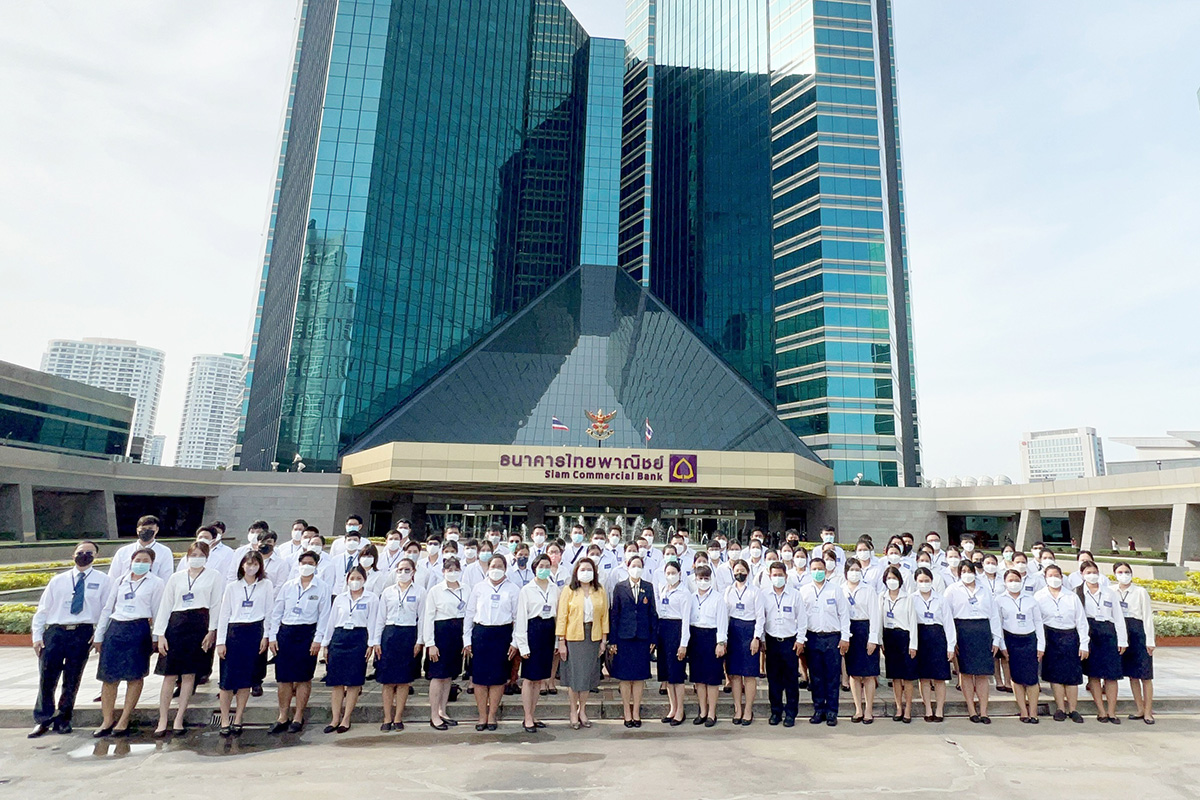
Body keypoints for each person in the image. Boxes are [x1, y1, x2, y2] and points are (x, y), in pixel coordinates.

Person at [30, 540, 113, 738]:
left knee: (72, 678)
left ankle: (64, 718)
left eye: (89, 552)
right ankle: (42, 720)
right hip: (56, 632)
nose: (84, 555)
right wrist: (37, 636)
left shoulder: (103, 581)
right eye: (80, 552)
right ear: (73, 555)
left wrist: (99, 634)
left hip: (82, 633)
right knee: (47, 678)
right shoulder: (58, 580)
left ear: (96, 556)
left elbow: (106, 611)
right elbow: (43, 609)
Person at [152, 538, 224, 736]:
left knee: (189, 675)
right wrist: (160, 634)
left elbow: (216, 604)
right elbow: (165, 605)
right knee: (169, 675)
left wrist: (212, 630)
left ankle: (179, 718)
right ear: (187, 556)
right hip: (176, 624)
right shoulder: (177, 577)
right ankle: (163, 718)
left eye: (201, 556)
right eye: (193, 555)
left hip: (199, 624)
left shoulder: (214, 576)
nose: (197, 559)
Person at [92, 547, 165, 737]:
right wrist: (99, 635)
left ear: (151, 564)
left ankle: (124, 719)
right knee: (109, 678)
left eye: (145, 560)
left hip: (138, 629)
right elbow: (108, 608)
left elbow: (158, 612)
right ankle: (107, 719)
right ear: (131, 561)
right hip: (116, 628)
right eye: (138, 559)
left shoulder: (156, 583)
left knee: (134, 676)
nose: (140, 563)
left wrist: (157, 638)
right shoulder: (120, 580)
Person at [267, 549, 331, 733]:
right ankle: (282, 716)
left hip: (307, 633)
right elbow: (277, 612)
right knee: (283, 678)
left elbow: (324, 616)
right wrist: (273, 636)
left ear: (316, 566)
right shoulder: (288, 586)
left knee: (303, 678)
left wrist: (318, 640)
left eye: (311, 563)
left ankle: (298, 716)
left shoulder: (322, 588)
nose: (306, 567)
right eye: (304, 563)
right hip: (286, 633)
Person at [215, 551, 274, 735]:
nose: (251, 567)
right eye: (248, 564)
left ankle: (239, 717)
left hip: (254, 632)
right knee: (227, 680)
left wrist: (266, 636)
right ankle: (225, 719)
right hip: (234, 632)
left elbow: (269, 612)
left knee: (246, 680)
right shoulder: (233, 587)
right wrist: (220, 641)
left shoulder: (266, 585)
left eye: (255, 564)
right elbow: (224, 614)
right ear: (242, 566)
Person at [320, 565, 381, 733]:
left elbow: (374, 622)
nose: (355, 582)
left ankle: (346, 718)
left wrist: (371, 643)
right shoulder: (340, 598)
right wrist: (326, 643)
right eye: (352, 578)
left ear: (364, 580)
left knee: (353, 682)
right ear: (347, 580)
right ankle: (334, 718)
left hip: (359, 638)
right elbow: (331, 622)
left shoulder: (372, 598)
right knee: (337, 682)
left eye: (359, 578)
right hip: (339, 638)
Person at [463, 554, 520, 730]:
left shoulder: (513, 589)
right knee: (480, 679)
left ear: (505, 568)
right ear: (487, 568)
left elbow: (518, 618)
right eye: (493, 566)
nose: (496, 569)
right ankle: (482, 716)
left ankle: (492, 715)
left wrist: (515, 642)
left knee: (498, 678)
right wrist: (466, 639)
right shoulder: (479, 588)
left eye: (500, 566)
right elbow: (469, 614)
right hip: (481, 634)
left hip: (502, 635)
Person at [556, 558, 609, 729]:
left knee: (587, 676)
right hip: (573, 637)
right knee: (574, 676)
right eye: (582, 569)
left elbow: (604, 616)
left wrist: (603, 640)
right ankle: (572, 710)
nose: (586, 572)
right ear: (576, 572)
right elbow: (562, 616)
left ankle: (582, 710)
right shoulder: (569, 590)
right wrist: (561, 641)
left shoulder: (600, 591)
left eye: (589, 569)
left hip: (592, 636)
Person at [607, 554, 658, 727]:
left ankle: (636, 712)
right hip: (624, 637)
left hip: (642, 638)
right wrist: (612, 640)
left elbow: (652, 613)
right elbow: (615, 615)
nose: (636, 568)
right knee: (625, 677)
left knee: (639, 677)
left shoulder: (648, 587)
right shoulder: (620, 587)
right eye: (633, 565)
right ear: (627, 567)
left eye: (639, 565)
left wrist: (653, 638)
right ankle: (626, 712)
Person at [1034, 564, 1089, 722]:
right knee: (1055, 676)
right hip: (1050, 636)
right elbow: (1037, 621)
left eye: (1057, 575)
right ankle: (1060, 708)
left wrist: (1084, 643)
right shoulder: (1039, 596)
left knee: (1072, 676)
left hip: (1070, 636)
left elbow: (1081, 622)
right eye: (1050, 575)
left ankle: (1073, 709)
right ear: (1045, 578)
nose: (1054, 578)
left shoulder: (1072, 596)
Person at [799, 554, 850, 726]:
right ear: (809, 571)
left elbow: (844, 615)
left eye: (820, 569)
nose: (817, 572)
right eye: (814, 569)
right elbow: (800, 617)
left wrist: (845, 638)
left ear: (826, 570)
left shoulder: (835, 589)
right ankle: (818, 709)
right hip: (812, 637)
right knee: (816, 676)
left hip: (832, 638)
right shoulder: (804, 591)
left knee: (832, 676)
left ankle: (832, 712)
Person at [375, 557, 424, 731]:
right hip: (389, 635)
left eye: (407, 570)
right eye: (400, 570)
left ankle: (398, 717)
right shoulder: (388, 592)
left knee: (404, 680)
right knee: (387, 681)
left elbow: (422, 619)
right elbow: (380, 618)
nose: (403, 573)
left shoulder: (420, 591)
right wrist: (376, 641)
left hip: (408, 634)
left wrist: (420, 640)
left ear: (413, 572)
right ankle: (387, 717)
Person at [513, 554, 559, 732]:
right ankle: (527, 716)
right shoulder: (527, 590)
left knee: (539, 679)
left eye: (547, 565)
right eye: (541, 566)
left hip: (548, 631)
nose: (544, 569)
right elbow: (522, 619)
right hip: (533, 631)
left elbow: (557, 616)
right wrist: (522, 645)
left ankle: (533, 712)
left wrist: (557, 641)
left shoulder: (554, 589)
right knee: (529, 678)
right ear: (534, 568)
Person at [1078, 560, 1128, 723]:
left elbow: (1118, 617)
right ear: (1082, 575)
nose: (1092, 575)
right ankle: (1101, 711)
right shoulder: (1078, 593)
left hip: (1108, 632)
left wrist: (1122, 640)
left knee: (1111, 675)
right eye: (1088, 573)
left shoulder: (1109, 592)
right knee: (1094, 674)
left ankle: (1112, 711)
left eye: (1094, 572)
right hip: (1091, 632)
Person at [996, 568, 1045, 723]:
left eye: (1016, 580)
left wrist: (1041, 645)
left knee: (1031, 678)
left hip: (1029, 640)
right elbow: (997, 624)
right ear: (1004, 582)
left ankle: (1033, 711)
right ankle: (1023, 710)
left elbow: (1038, 622)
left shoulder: (1031, 600)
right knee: (1016, 677)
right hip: (1011, 639)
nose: (1014, 583)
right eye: (1010, 580)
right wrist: (1002, 645)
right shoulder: (999, 600)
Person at [424, 557, 466, 729]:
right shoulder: (435, 591)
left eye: (455, 569)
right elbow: (429, 617)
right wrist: (430, 643)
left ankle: (442, 710)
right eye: (449, 570)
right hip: (441, 633)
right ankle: (434, 714)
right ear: (443, 572)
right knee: (438, 675)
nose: (452, 573)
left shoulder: (466, 589)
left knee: (449, 675)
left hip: (458, 634)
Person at [763, 561, 806, 727]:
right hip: (772, 641)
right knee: (773, 680)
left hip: (790, 642)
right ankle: (775, 712)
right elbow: (761, 618)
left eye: (780, 575)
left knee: (790, 680)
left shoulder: (795, 595)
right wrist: (761, 639)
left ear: (786, 576)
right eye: (774, 575)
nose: (778, 578)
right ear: (769, 576)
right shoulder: (764, 594)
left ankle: (791, 713)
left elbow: (802, 619)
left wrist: (800, 639)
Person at [724, 558, 765, 725]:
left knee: (749, 675)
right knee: (734, 674)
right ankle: (737, 708)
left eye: (742, 571)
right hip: (733, 631)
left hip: (749, 631)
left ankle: (748, 709)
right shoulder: (728, 590)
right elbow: (724, 614)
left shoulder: (755, 591)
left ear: (748, 572)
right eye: (736, 571)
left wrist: (757, 638)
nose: (739, 574)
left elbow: (760, 616)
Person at [1113, 562, 1155, 723]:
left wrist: (1150, 641)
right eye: (1120, 572)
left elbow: (1148, 617)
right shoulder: (1111, 591)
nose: (1124, 574)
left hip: (1139, 633)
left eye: (1127, 571)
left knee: (1145, 675)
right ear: (1115, 574)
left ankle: (1148, 711)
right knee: (1132, 675)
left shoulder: (1140, 592)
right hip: (1122, 632)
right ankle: (1139, 708)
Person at [687, 564, 728, 727]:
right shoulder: (691, 597)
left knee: (712, 679)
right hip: (696, 637)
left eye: (706, 578)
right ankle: (702, 711)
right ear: (695, 580)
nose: (703, 581)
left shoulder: (718, 598)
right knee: (699, 679)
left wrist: (720, 642)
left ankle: (712, 713)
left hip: (712, 637)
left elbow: (722, 622)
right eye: (700, 578)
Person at [912, 567, 955, 722]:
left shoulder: (940, 599)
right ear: (916, 582)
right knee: (923, 677)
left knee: (939, 677)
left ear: (932, 581)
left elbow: (949, 624)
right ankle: (928, 708)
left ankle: (939, 709)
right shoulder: (912, 599)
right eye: (921, 581)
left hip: (938, 637)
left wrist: (951, 645)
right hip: (921, 637)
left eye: (927, 581)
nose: (924, 584)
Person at [842, 558, 880, 724]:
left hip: (866, 630)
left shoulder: (869, 589)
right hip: (849, 631)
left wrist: (873, 638)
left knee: (869, 674)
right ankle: (858, 709)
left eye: (858, 569)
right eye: (851, 570)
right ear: (846, 572)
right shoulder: (841, 589)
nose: (855, 573)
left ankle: (869, 710)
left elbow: (875, 615)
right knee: (854, 674)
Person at [879, 566, 918, 723]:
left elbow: (913, 622)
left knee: (907, 677)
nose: (891, 581)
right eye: (889, 579)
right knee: (895, 677)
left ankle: (908, 708)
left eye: (894, 578)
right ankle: (898, 707)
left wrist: (913, 644)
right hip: (889, 637)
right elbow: (879, 620)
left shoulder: (907, 598)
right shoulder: (881, 597)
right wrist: (881, 641)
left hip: (905, 636)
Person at [655, 559, 691, 725]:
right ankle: (672, 707)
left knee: (676, 674)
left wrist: (683, 643)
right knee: (667, 675)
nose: (670, 576)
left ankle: (680, 710)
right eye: (668, 573)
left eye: (673, 573)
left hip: (676, 631)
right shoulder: (663, 589)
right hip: (663, 630)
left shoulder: (684, 593)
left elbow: (685, 620)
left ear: (680, 574)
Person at [109, 515, 175, 584]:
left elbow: (166, 578)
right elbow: (113, 576)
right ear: (137, 530)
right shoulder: (123, 552)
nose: (146, 531)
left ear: (157, 530)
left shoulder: (164, 552)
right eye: (143, 528)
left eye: (150, 528)